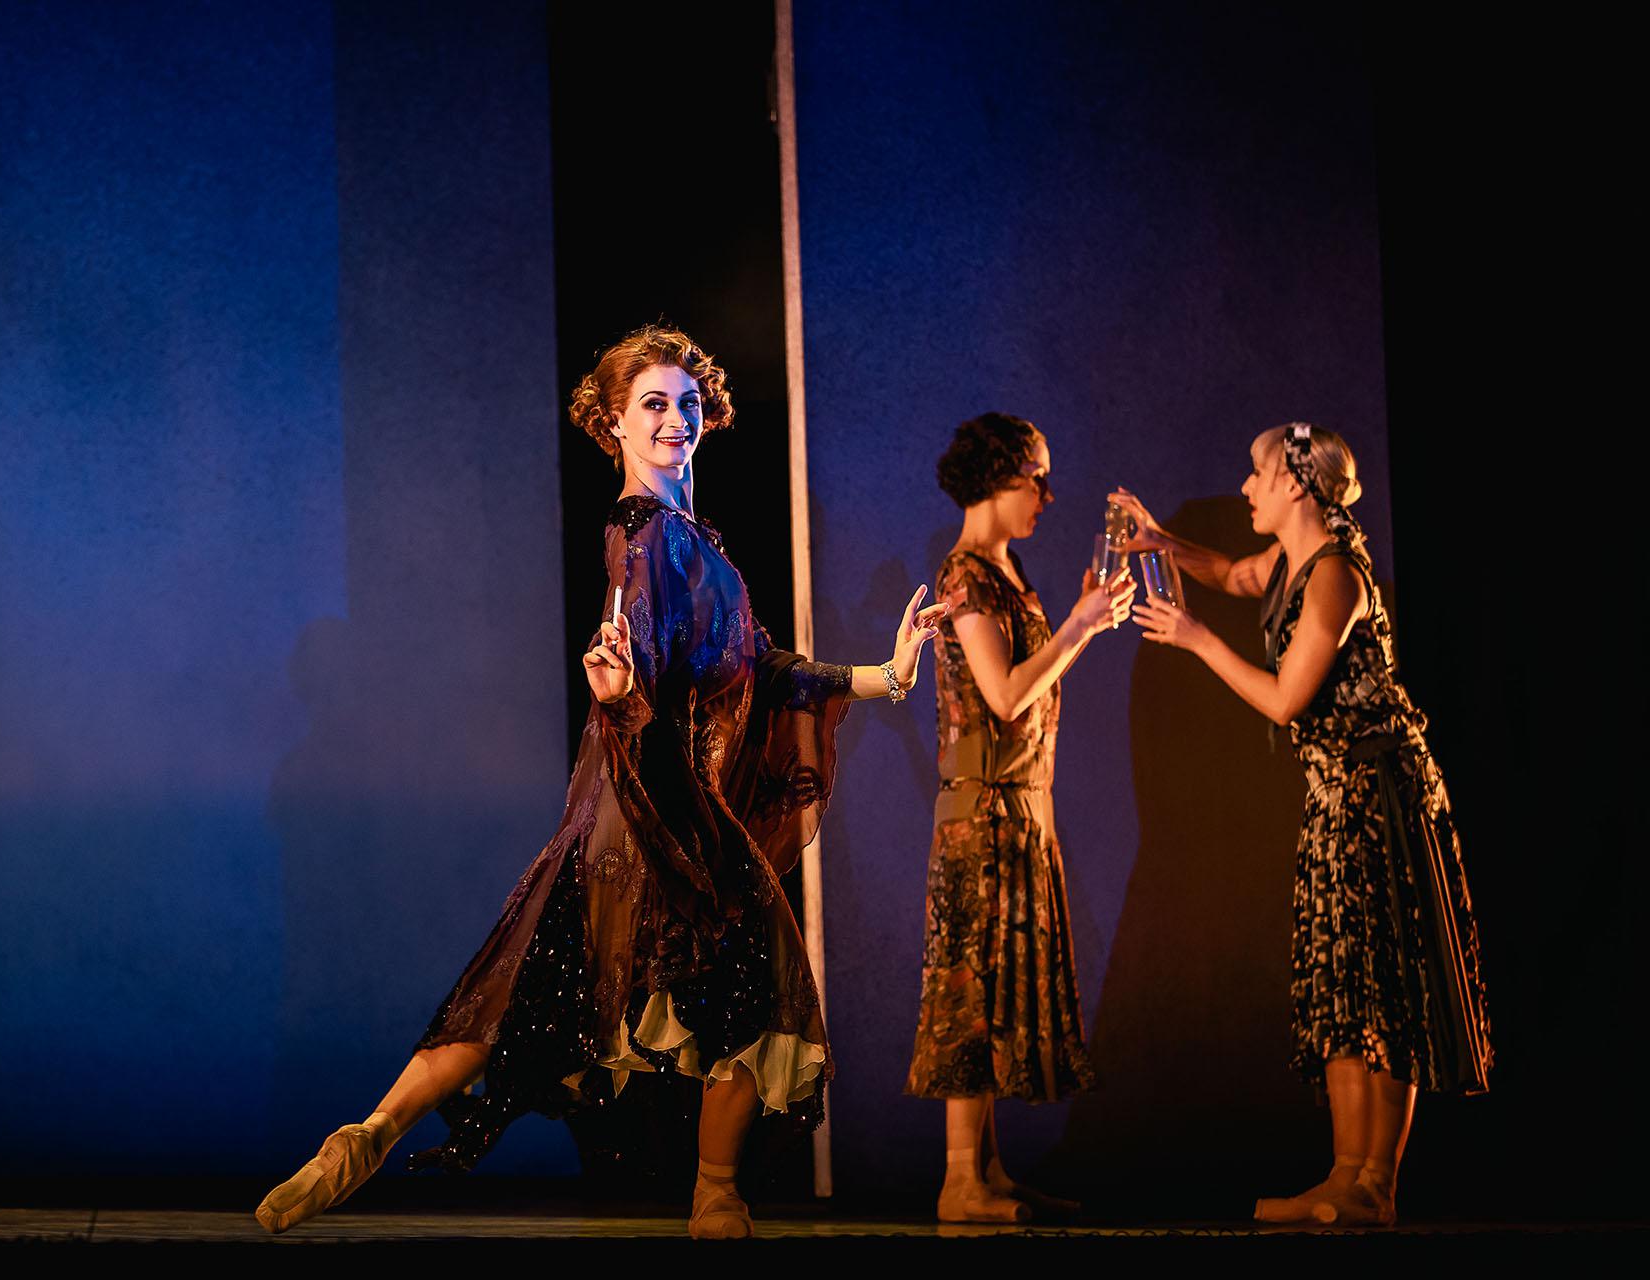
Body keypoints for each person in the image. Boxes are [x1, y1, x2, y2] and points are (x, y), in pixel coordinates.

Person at [256, 326, 948, 1239]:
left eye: (687, 403)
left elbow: (759, 666)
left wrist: (884, 675)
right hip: (658, 797)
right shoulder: (646, 534)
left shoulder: (692, 540)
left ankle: (372, 1131)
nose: (675, 420)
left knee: (526, 979)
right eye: (653, 405)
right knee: (760, 976)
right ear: (613, 425)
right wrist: (620, 694)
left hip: (630, 799)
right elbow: (639, 656)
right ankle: (714, 1195)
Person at [1120, 423, 1491, 1227]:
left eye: (1255, 473)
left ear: (1294, 482)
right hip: (1336, 791)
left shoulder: (1334, 577)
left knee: (1385, 985)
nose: (1245, 488)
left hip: (1381, 791)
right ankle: (1344, 1173)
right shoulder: (1289, 561)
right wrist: (1160, 540)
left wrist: (1194, 639)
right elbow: (1227, 570)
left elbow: (1288, 699)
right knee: (1342, 984)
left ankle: (1374, 1187)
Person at [905, 413, 1134, 1223]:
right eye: (1033, 475)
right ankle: (959, 1179)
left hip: (1018, 808)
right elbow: (1004, 695)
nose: (1045, 492)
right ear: (996, 478)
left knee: (997, 987)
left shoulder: (1006, 572)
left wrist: (1075, 622)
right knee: (971, 986)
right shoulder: (966, 575)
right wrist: (1079, 623)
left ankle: (987, 1172)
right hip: (983, 815)